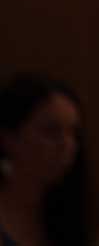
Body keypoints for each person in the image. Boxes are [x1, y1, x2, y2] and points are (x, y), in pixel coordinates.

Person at [0, 74, 87, 246]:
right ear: (9, 138)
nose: (67, 144)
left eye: (73, 133)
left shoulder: (67, 215)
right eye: (51, 131)